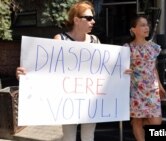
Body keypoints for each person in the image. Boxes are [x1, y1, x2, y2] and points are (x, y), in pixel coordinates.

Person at [16, 1, 102, 141]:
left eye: (93, 18)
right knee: (68, 137)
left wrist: (121, 74)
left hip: (89, 99)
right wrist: (25, 75)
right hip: (67, 99)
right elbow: (46, 69)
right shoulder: (60, 40)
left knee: (88, 137)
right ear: (76, 20)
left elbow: (103, 69)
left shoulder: (95, 40)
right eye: (89, 18)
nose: (93, 21)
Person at [123, 15, 166, 141]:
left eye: (147, 25)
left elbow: (153, 68)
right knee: (137, 120)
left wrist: (160, 86)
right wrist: (125, 70)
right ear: (133, 30)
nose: (146, 27)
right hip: (135, 89)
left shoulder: (154, 47)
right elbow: (120, 68)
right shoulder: (127, 48)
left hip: (152, 90)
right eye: (142, 25)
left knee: (156, 121)